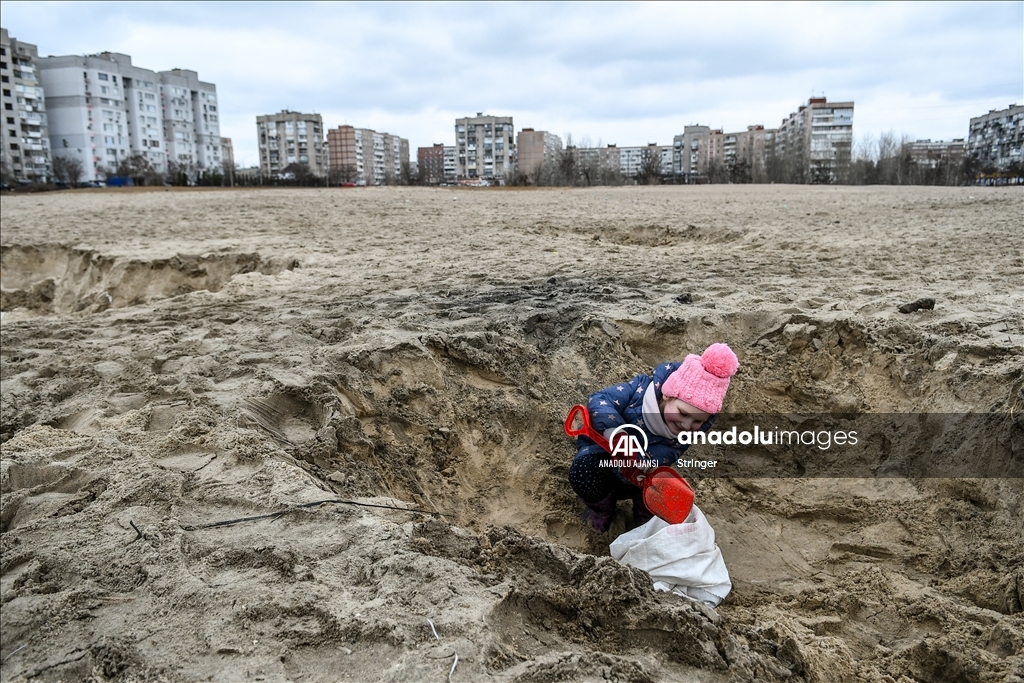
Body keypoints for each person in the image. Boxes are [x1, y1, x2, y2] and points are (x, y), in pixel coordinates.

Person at [568, 343, 739, 532]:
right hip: (602, 456)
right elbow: (600, 400)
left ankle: (644, 522)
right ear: (668, 395)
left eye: (698, 421)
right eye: (683, 413)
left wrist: (643, 464)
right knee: (584, 473)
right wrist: (618, 436)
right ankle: (602, 508)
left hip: (640, 472)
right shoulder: (639, 391)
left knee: (661, 488)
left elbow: (668, 454)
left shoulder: (689, 430)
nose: (687, 425)